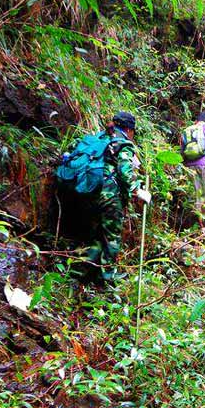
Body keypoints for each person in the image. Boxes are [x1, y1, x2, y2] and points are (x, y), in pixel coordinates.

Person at [57, 111, 151, 282]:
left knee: (95, 235)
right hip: (109, 196)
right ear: (129, 130)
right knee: (111, 236)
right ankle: (107, 275)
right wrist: (138, 191)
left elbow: (70, 151)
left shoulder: (97, 139)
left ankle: (82, 272)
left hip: (88, 192)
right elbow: (124, 170)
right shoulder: (123, 144)